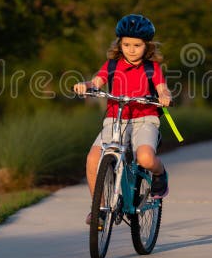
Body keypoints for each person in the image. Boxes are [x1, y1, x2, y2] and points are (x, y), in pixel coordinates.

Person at [73, 14, 172, 226]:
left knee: (145, 159)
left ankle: (160, 174)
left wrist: (164, 96)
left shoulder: (151, 69)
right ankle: (98, 208)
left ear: (147, 46)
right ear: (120, 43)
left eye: (137, 45)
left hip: (145, 119)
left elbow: (163, 88)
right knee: (93, 158)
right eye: (127, 44)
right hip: (115, 120)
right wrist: (86, 85)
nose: (131, 49)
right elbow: (96, 82)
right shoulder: (111, 65)